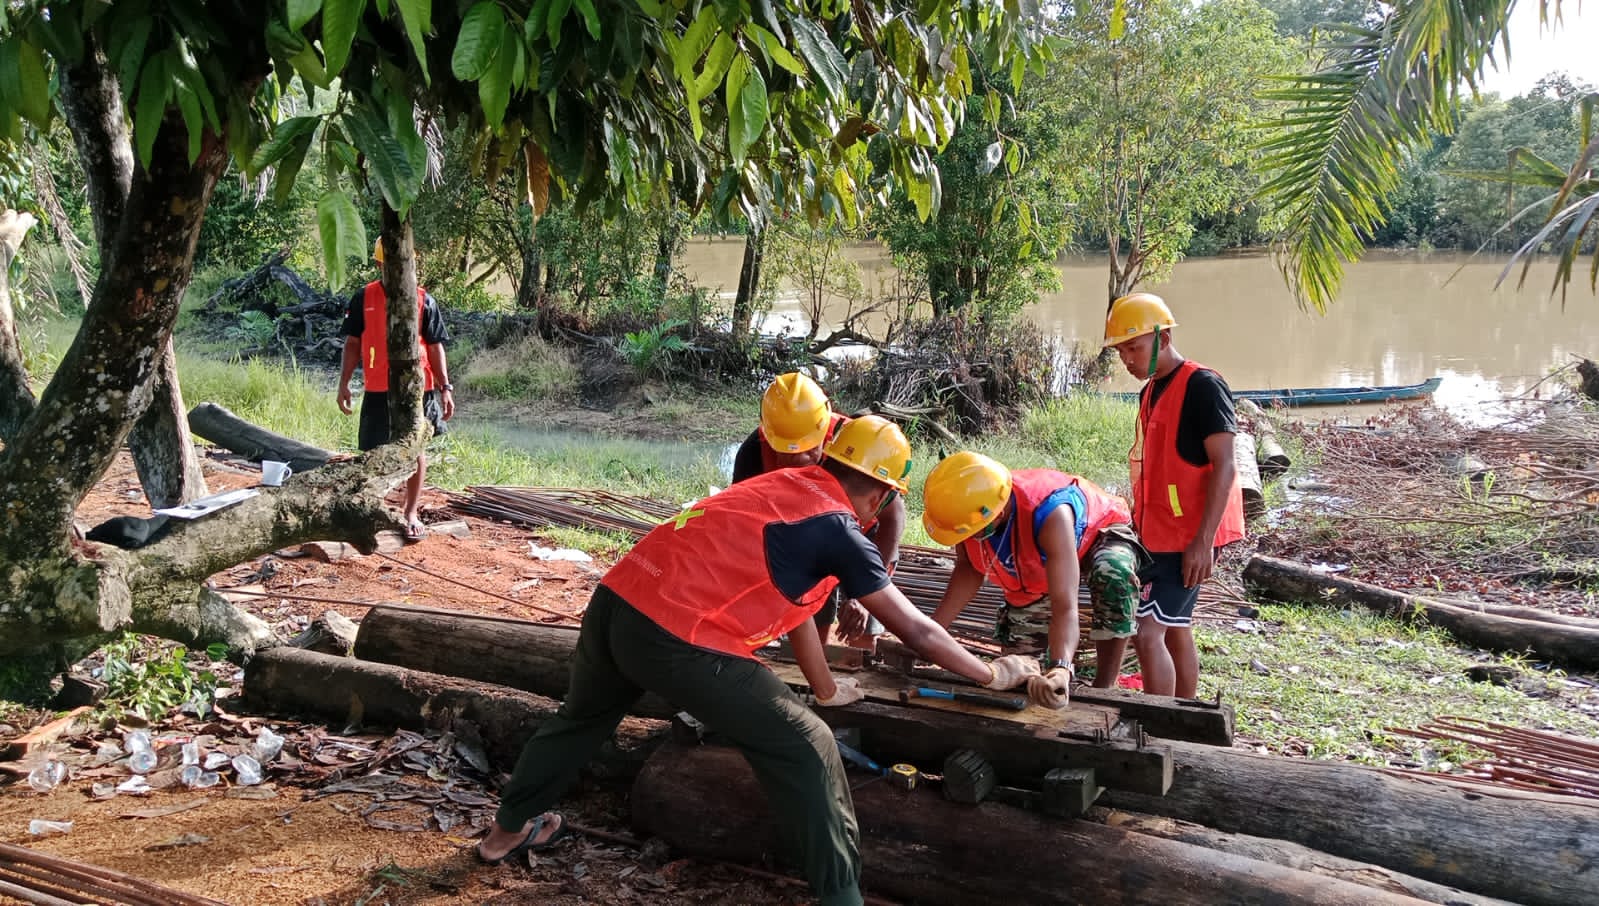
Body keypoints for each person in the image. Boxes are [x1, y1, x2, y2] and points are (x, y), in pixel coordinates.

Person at [475, 416, 1040, 906]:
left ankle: (505, 833)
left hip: (617, 599)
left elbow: (792, 607)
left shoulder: (782, 485)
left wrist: (826, 688)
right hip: (680, 637)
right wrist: (993, 672)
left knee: (580, 719)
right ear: (882, 495)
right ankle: (843, 897)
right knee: (809, 746)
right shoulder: (840, 528)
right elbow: (913, 627)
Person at [924, 451, 1149, 709]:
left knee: (1113, 572)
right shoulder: (969, 515)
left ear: (996, 513)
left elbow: (1065, 606)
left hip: (1098, 534)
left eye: (976, 532)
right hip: (1039, 562)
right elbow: (969, 569)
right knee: (1018, 678)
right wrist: (931, 632)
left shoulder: (1051, 513)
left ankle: (1104, 687)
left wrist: (1061, 668)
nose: (972, 538)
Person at [1102, 291, 1244, 699]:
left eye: (1135, 347)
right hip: (1158, 533)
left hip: (1189, 536)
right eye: (1121, 351)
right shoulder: (1150, 391)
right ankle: (1187, 712)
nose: (1127, 359)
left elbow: (1226, 466)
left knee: (1148, 634)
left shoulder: (1204, 385)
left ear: (1163, 339)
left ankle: (1160, 724)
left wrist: (1203, 542)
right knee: (1175, 627)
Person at [731, 373, 906, 644]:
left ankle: (856, 659)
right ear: (768, 432)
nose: (800, 458)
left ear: (825, 425)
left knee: (861, 634)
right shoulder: (753, 454)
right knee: (812, 625)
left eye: (810, 449)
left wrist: (863, 594)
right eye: (786, 451)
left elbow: (893, 515)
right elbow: (743, 525)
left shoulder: (856, 443)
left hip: (863, 540)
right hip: (804, 541)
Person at [337, 241, 455, 540]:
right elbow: (352, 344)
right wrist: (344, 384)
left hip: (418, 388)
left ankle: (410, 511)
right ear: (380, 265)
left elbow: (436, 345)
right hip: (378, 387)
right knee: (371, 450)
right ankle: (369, 510)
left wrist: (445, 387)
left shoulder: (423, 299)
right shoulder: (364, 297)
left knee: (415, 449)